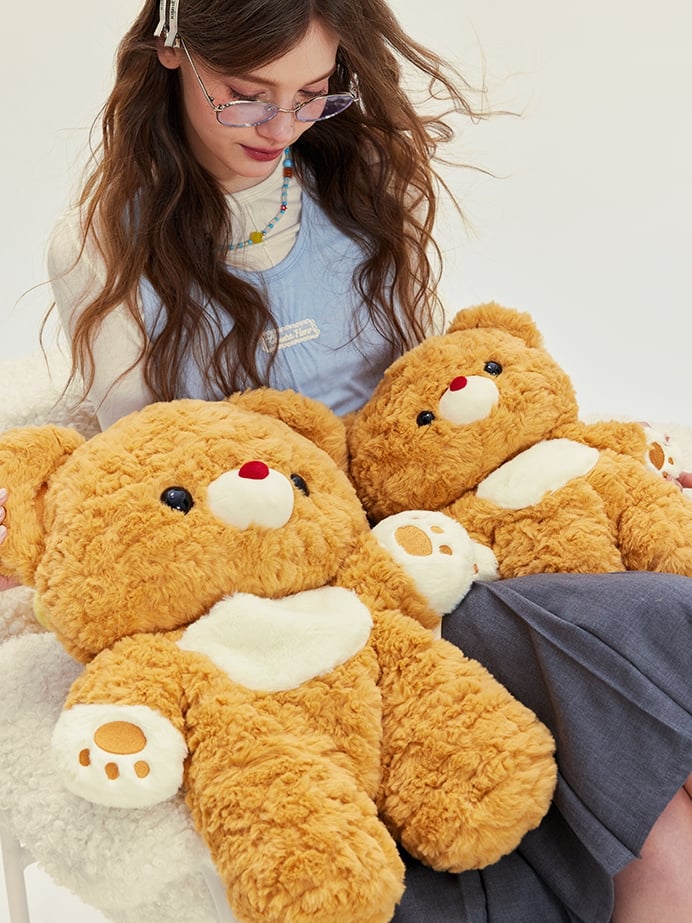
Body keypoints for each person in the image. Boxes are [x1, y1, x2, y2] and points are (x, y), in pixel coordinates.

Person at [1, 0, 691, 920]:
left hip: (431, 522)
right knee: (657, 771)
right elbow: (158, 461)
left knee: (661, 703)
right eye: (247, 95)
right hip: (286, 564)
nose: (280, 127)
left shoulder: (362, 186)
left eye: (312, 93)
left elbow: (416, 386)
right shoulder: (105, 247)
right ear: (171, 52)